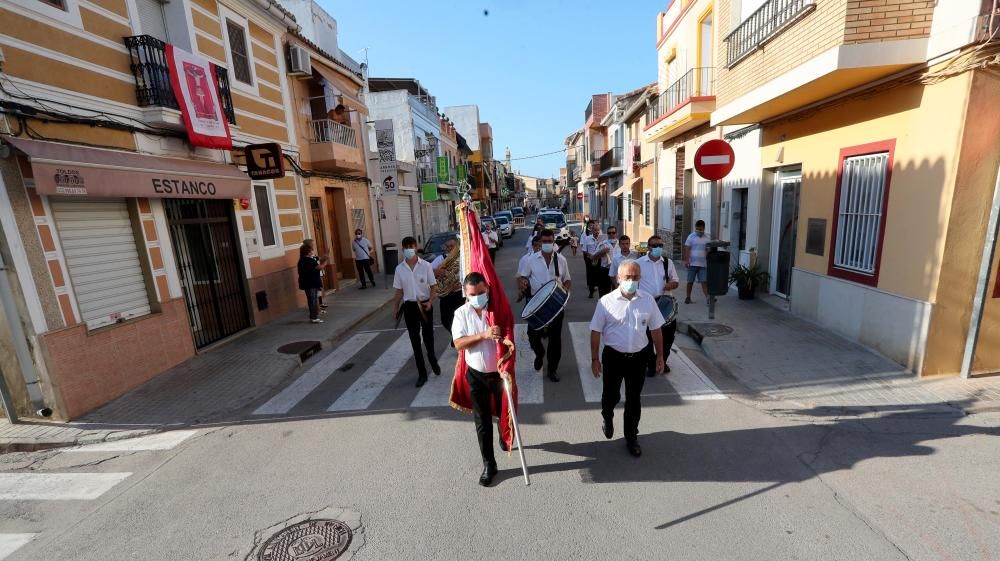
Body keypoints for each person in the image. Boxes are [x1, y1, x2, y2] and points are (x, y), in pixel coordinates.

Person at [590, 259, 665, 457]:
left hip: (639, 358)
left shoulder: (648, 300)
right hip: (613, 357)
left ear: (640, 278)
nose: (631, 281)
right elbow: (595, 331)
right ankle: (607, 415)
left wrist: (660, 356)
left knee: (634, 399)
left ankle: (631, 437)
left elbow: (656, 330)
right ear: (618, 278)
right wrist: (595, 359)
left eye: (635, 277)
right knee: (611, 396)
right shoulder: (605, 302)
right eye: (627, 277)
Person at [451, 272, 505, 486]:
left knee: (503, 411)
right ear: (466, 293)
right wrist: (483, 335)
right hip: (476, 375)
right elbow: (458, 343)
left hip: (500, 374)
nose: (478, 297)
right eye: (473, 294)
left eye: (481, 293)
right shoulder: (461, 314)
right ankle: (489, 464)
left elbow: (509, 329)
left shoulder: (497, 309)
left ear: (488, 290)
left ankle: (504, 430)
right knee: (482, 422)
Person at [516, 229, 572, 382]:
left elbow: (567, 280)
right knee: (533, 336)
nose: (547, 244)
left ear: (554, 241)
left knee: (555, 339)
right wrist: (523, 283)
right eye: (545, 242)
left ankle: (552, 369)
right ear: (540, 243)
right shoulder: (530, 260)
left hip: (555, 306)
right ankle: (539, 355)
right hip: (535, 304)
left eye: (550, 241)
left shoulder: (561, 260)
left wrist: (563, 293)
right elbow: (522, 277)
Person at [392, 236, 440, 386]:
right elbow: (399, 291)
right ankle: (422, 373)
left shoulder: (426, 266)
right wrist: (395, 308)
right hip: (409, 307)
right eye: (405, 247)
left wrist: (431, 302)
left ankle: (432, 358)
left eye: (411, 246)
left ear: (416, 247)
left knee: (428, 337)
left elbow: (434, 286)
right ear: (402, 249)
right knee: (414, 340)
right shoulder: (399, 269)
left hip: (425, 305)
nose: (408, 250)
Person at [637, 235, 680, 376]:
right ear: (648, 247)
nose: (658, 248)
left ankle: (662, 360)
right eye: (655, 245)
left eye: (660, 245)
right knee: (648, 337)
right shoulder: (639, 263)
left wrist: (671, 284)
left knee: (668, 335)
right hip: (647, 305)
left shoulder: (668, 263)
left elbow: (676, 281)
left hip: (665, 304)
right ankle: (650, 364)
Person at [432, 238, 464, 342]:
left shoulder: (462, 257)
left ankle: (460, 340)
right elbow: (428, 270)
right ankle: (456, 337)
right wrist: (437, 271)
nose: (450, 248)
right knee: (445, 320)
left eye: (452, 246)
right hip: (446, 295)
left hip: (459, 294)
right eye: (448, 246)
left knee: (461, 319)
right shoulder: (441, 259)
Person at [297, 243, 328, 324]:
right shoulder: (309, 260)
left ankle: (314, 316)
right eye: (311, 250)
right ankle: (314, 317)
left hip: (307, 283)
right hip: (311, 283)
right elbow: (318, 267)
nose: (312, 251)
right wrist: (325, 263)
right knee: (313, 300)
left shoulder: (301, 260)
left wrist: (323, 258)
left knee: (312, 300)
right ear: (307, 251)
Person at [684, 220, 710, 304]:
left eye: (701, 229)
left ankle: (708, 298)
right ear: (695, 228)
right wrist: (687, 260)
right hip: (692, 263)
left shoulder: (707, 238)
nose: (699, 231)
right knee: (690, 281)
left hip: (702, 264)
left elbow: (707, 250)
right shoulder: (691, 236)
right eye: (697, 229)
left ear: (704, 228)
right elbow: (687, 249)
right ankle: (688, 298)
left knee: (704, 281)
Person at [591, 225, 619, 297]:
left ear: (616, 233)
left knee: (617, 294)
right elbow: (593, 258)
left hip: (618, 272)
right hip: (605, 271)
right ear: (607, 234)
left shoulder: (621, 244)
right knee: (604, 294)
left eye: (613, 232)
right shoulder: (602, 244)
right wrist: (601, 252)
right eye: (609, 233)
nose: (611, 234)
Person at [580, 221, 599, 298]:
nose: (597, 232)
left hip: (600, 260)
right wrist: (590, 256)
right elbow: (584, 250)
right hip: (590, 259)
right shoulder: (587, 239)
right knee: (591, 275)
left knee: (599, 275)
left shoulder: (603, 239)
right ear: (592, 230)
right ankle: (591, 291)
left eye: (598, 230)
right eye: (595, 230)